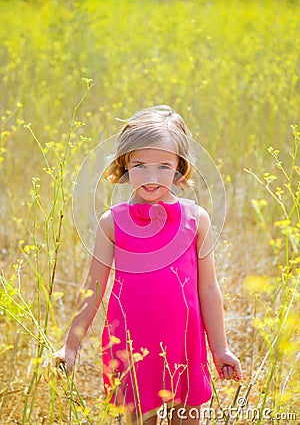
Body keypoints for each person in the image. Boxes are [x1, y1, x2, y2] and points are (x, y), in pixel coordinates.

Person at [54, 105, 242, 425]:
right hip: (130, 349)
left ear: (179, 168)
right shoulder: (112, 223)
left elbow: (209, 288)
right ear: (124, 165)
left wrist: (220, 348)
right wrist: (69, 347)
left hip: (184, 348)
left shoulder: (196, 220)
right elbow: (92, 288)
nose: (151, 177)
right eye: (139, 165)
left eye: (163, 166)